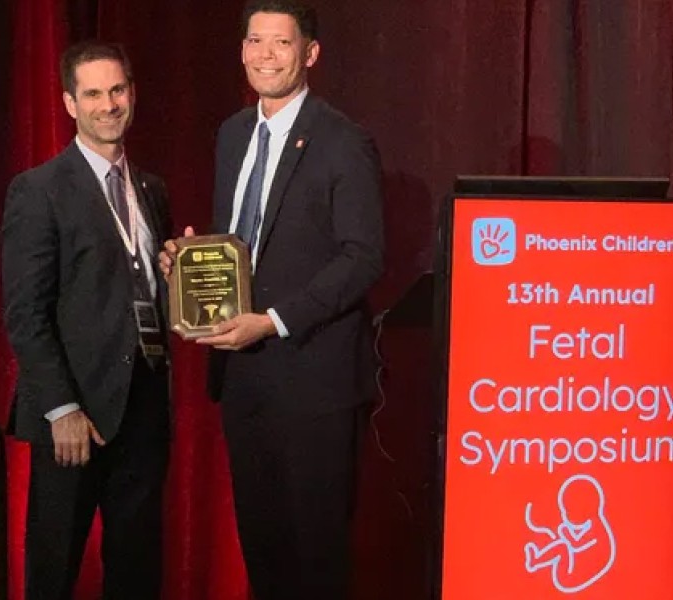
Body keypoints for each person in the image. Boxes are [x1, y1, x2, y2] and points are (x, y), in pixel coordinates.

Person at [161, 1, 383, 597]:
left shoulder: (344, 141)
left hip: (314, 379)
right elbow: (238, 239)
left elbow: (362, 257)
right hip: (243, 377)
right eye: (255, 41)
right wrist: (191, 264)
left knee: (314, 556)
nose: (265, 55)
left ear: (309, 53)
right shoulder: (233, 133)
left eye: (280, 44)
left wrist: (276, 321)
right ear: (240, 51)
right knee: (263, 548)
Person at [2, 41, 172, 600]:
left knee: (137, 572)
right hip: (72, 417)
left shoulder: (151, 190)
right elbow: (24, 313)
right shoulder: (39, 190)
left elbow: (140, 295)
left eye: (117, 90)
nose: (108, 104)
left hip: (143, 407)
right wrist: (62, 407)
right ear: (70, 104)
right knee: (53, 571)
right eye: (93, 93)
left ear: (132, 94)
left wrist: (181, 277)